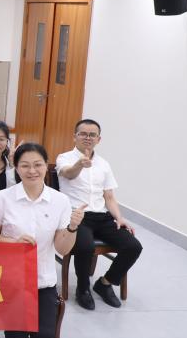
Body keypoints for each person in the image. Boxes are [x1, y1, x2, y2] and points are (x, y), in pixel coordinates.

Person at [0, 143, 85, 338]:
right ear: (16, 168)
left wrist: (72, 227)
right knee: (17, 336)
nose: (32, 171)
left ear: (46, 166)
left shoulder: (60, 201)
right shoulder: (3, 197)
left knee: (45, 337)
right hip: (11, 279)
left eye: (38, 165)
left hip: (43, 279)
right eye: (25, 165)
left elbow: (62, 249)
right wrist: (13, 242)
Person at [56, 119, 143, 310]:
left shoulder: (104, 164)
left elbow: (109, 196)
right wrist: (80, 164)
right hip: (76, 216)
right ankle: (83, 289)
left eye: (92, 135)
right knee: (85, 246)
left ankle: (105, 283)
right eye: (83, 134)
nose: (87, 138)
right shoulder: (65, 158)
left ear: (98, 139)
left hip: (102, 217)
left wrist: (119, 218)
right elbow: (68, 174)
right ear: (74, 136)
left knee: (133, 246)